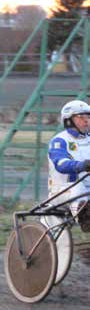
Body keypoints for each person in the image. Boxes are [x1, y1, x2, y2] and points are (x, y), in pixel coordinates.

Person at [47, 98, 90, 231]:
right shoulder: (60, 140)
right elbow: (61, 164)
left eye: (88, 116)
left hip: (87, 190)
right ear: (68, 120)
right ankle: (86, 221)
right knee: (78, 190)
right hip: (61, 191)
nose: (86, 120)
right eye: (81, 117)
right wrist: (82, 165)